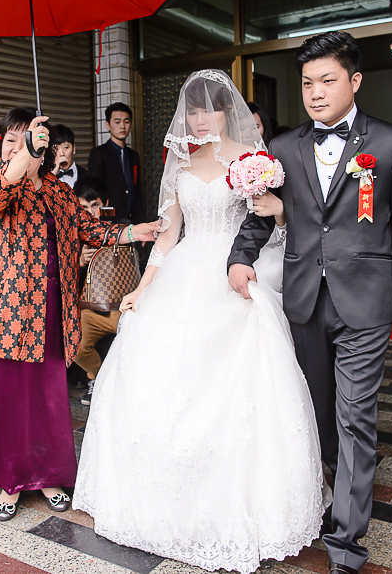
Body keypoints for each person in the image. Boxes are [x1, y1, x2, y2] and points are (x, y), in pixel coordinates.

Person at [76, 70, 327, 574]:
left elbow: (271, 225)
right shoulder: (181, 157)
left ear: (227, 111)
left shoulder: (252, 159)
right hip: (185, 269)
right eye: (192, 111)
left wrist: (275, 213)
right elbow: (168, 233)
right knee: (155, 363)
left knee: (237, 386)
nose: (198, 119)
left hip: (230, 273)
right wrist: (142, 288)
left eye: (208, 110)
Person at [228, 32, 392, 574]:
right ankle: (323, 498)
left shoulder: (390, 144)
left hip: (365, 304)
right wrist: (241, 255)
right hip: (302, 299)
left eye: (327, 80)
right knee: (315, 415)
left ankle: (346, 543)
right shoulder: (286, 147)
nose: (315, 93)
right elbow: (260, 211)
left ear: (355, 81)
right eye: (307, 83)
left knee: (355, 417)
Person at [0, 108, 159, 522]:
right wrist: (23, 152)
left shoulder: (56, 190)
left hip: (51, 309)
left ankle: (47, 475)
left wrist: (132, 231)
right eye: (11, 139)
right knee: (9, 400)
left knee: (47, 398)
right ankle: (10, 481)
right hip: (4, 316)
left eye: (29, 139)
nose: (18, 146)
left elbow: (90, 230)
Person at [72, 176, 118, 406]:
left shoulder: (121, 228)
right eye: (84, 208)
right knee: (76, 346)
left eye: (95, 205)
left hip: (122, 305)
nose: (91, 212)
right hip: (90, 307)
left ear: (105, 203)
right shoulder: (74, 236)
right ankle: (98, 378)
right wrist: (79, 261)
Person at [88, 102, 144, 223]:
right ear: (107, 125)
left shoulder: (134, 156)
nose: (122, 126)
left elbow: (137, 191)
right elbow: (96, 192)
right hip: (110, 221)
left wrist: (141, 222)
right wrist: (106, 220)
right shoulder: (99, 153)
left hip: (132, 221)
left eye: (126, 122)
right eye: (117, 122)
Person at [50, 123, 81, 188]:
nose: (62, 154)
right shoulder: (42, 177)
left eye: (66, 147)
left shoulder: (87, 176)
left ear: (74, 149)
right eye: (56, 148)